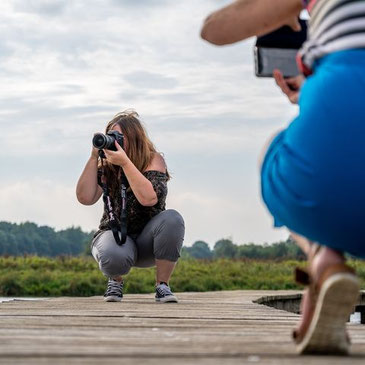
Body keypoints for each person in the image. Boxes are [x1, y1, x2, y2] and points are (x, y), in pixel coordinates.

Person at [201, 0, 365, 355]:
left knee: (273, 152)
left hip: (329, 181)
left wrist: (284, 8)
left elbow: (214, 31)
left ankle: (323, 259)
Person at [76, 110, 185, 303]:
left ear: (134, 138)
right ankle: (115, 282)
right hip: (116, 237)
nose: (113, 142)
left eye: (118, 137)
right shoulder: (107, 165)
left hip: (148, 242)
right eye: (110, 136)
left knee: (173, 219)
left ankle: (162, 286)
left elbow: (149, 199)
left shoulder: (153, 160)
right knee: (112, 255)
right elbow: (85, 198)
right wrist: (94, 158)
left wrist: (126, 163)